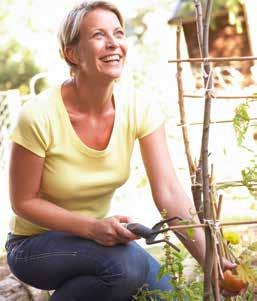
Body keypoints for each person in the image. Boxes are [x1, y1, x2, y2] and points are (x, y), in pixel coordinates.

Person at [5, 1, 238, 300]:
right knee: (125, 268)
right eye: (98, 35)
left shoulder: (139, 106)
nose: (114, 43)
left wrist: (211, 260)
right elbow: (23, 201)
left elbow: (168, 190)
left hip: (95, 243)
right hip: (33, 246)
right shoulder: (38, 115)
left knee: (163, 295)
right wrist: (91, 228)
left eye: (118, 33)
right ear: (72, 53)